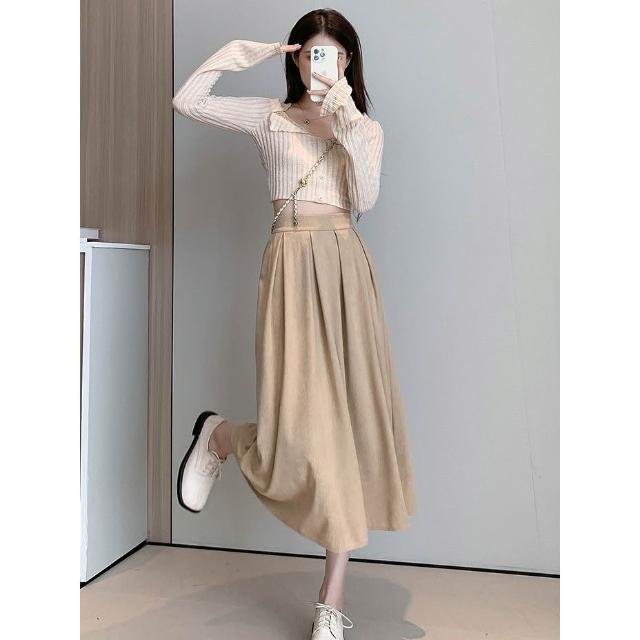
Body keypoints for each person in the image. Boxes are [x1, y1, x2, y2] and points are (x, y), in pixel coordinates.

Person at [172, 8, 416, 639]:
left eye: (332, 55)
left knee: (349, 433)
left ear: (349, 63)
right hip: (289, 266)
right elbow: (187, 101)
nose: (320, 65)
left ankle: (331, 601)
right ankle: (223, 437)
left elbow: (365, 199)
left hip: (345, 270)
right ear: (296, 58)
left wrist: (347, 116)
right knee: (298, 433)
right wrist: (243, 51)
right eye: (310, 54)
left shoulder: (364, 128)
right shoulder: (268, 117)